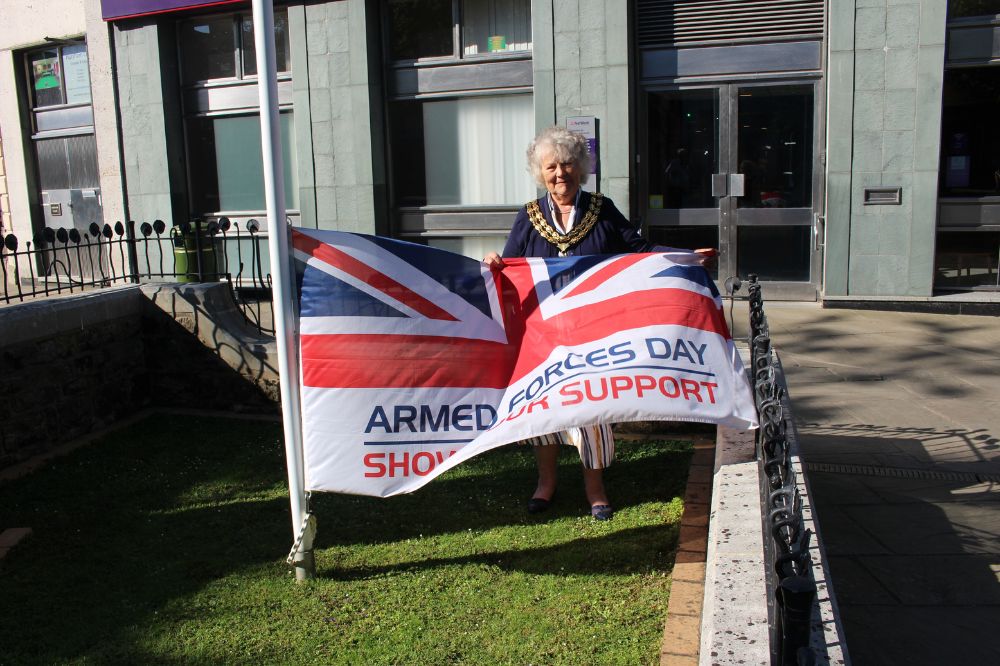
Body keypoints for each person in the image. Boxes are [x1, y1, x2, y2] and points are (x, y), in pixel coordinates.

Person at [484, 125, 715, 521]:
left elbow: (639, 250)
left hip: (594, 332)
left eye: (568, 164)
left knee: (592, 410)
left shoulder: (601, 209)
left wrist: (684, 257)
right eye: (552, 166)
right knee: (544, 409)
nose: (561, 174)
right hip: (544, 334)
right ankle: (546, 484)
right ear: (541, 172)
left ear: (582, 168)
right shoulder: (529, 216)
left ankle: (595, 488)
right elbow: (511, 264)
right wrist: (494, 264)